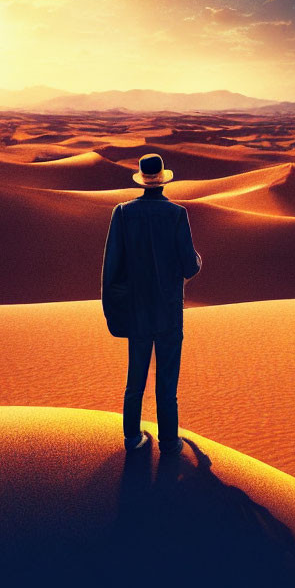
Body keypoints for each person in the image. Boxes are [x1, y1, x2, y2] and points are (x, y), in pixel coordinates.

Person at [101, 153, 202, 455]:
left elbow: (112, 266)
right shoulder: (176, 214)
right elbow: (189, 267)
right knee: (166, 381)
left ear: (143, 180)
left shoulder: (122, 213)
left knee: (135, 378)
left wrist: (113, 309)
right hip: (169, 312)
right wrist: (198, 259)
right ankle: (169, 441)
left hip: (137, 312)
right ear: (162, 179)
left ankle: (132, 436)